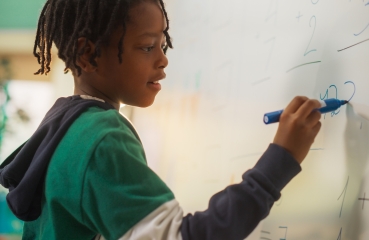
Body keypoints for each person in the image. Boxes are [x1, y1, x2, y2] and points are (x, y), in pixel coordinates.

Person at [0, 0, 322, 239]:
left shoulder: (65, 123)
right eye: (147, 46)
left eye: (162, 43)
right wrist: (281, 159)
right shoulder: (100, 139)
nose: (163, 59)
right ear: (88, 54)